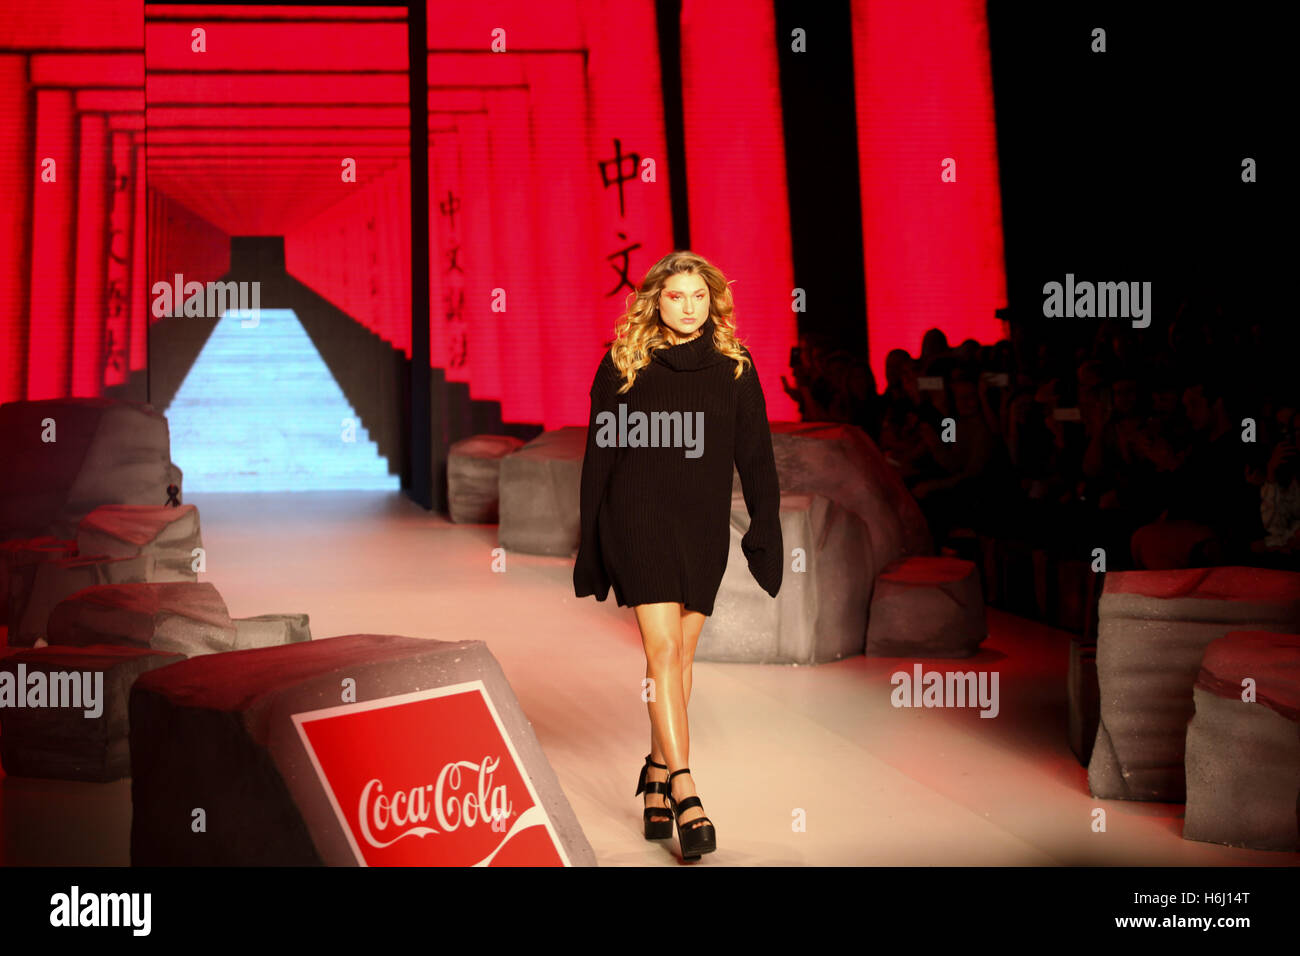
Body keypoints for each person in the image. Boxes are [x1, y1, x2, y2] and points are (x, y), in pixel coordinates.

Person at [572, 250, 783, 861]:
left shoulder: (734, 367)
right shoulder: (624, 363)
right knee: (662, 650)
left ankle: (655, 776)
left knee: (683, 656)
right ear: (654, 301)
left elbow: (758, 459)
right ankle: (686, 789)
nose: (688, 307)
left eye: (699, 296)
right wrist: (591, 543)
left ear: (712, 300)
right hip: (637, 520)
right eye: (676, 296)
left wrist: (763, 532)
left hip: (700, 525)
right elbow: (599, 461)